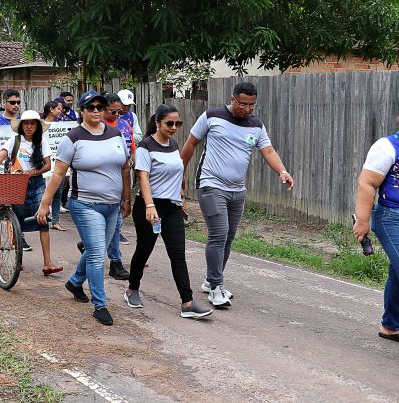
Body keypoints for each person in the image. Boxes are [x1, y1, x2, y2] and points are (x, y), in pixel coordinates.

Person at [181, 82, 294, 307]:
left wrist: (282, 171)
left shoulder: (256, 124)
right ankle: (216, 287)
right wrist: (179, 176)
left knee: (229, 236)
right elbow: (190, 144)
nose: (247, 109)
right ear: (232, 99)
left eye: (252, 105)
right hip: (211, 184)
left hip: (237, 190)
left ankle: (210, 280)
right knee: (219, 234)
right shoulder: (212, 116)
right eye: (243, 104)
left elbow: (268, 150)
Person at [35, 90, 132, 326]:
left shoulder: (116, 134)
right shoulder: (73, 138)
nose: (96, 111)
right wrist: (45, 204)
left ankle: (75, 282)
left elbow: (125, 168)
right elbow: (58, 174)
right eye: (91, 107)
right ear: (82, 111)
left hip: (112, 205)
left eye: (100, 107)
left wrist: (127, 199)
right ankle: (100, 304)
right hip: (85, 205)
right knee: (98, 254)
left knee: (96, 249)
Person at [125, 104, 212, 319]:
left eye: (177, 124)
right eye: (169, 123)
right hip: (150, 207)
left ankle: (187, 303)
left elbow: (177, 171)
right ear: (158, 123)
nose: (174, 128)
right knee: (143, 251)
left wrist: (180, 196)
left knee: (178, 255)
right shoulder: (145, 146)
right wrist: (150, 206)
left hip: (172, 208)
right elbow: (143, 177)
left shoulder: (173, 144)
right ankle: (132, 289)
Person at [0, 110, 63, 273]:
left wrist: (33, 172)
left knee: (43, 222)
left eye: (32, 123)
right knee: (16, 222)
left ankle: (47, 262)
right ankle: (18, 261)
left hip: (36, 185)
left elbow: (48, 165)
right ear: (21, 126)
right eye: (26, 123)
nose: (29, 126)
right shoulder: (14, 141)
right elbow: (0, 157)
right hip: (16, 185)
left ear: (37, 126)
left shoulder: (42, 142)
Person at [354, 111, 399, 343]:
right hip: (391, 218)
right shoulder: (387, 146)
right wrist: (363, 221)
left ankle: (390, 326)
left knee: (397, 270)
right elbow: (367, 183)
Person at [96, 93, 134, 279]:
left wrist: (127, 198)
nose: (118, 115)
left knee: (115, 222)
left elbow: (131, 148)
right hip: (102, 182)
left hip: (121, 177)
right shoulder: (97, 128)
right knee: (114, 223)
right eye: (113, 112)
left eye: (120, 112)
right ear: (103, 110)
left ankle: (94, 249)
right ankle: (115, 261)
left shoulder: (124, 125)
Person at [42, 101, 67, 231]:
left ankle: (55, 220)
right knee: (44, 192)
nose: (60, 111)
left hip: (58, 163)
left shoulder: (62, 126)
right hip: (44, 165)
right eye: (58, 109)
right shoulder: (40, 126)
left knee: (58, 192)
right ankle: (42, 218)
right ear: (51, 110)